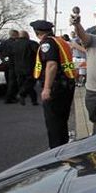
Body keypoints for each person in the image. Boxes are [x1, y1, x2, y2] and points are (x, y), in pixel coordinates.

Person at [30, 19, 76, 148]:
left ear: (37, 32)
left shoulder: (47, 43)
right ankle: (63, 147)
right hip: (66, 85)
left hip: (56, 86)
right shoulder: (60, 41)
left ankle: (55, 150)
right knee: (62, 121)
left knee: (53, 122)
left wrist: (47, 88)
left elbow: (51, 65)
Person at [10, 31, 39, 106]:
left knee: (23, 84)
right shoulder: (32, 43)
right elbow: (39, 54)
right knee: (30, 84)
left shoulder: (14, 44)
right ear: (27, 36)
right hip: (30, 67)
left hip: (18, 68)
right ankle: (22, 94)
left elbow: (11, 56)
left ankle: (34, 100)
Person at [0, 30, 19, 103]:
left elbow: (0, 53)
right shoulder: (15, 43)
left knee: (8, 81)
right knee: (12, 82)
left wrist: (4, 60)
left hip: (6, 64)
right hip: (13, 64)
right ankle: (9, 98)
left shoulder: (3, 42)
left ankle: (12, 97)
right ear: (15, 35)